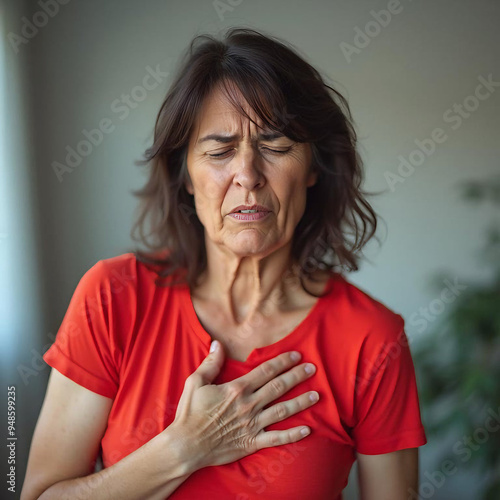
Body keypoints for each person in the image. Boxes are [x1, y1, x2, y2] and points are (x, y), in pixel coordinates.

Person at [21, 27, 427, 500]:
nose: (249, 176)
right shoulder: (113, 297)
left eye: (276, 147)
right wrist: (185, 447)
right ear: (186, 176)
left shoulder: (372, 337)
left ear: (315, 167)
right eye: (219, 151)